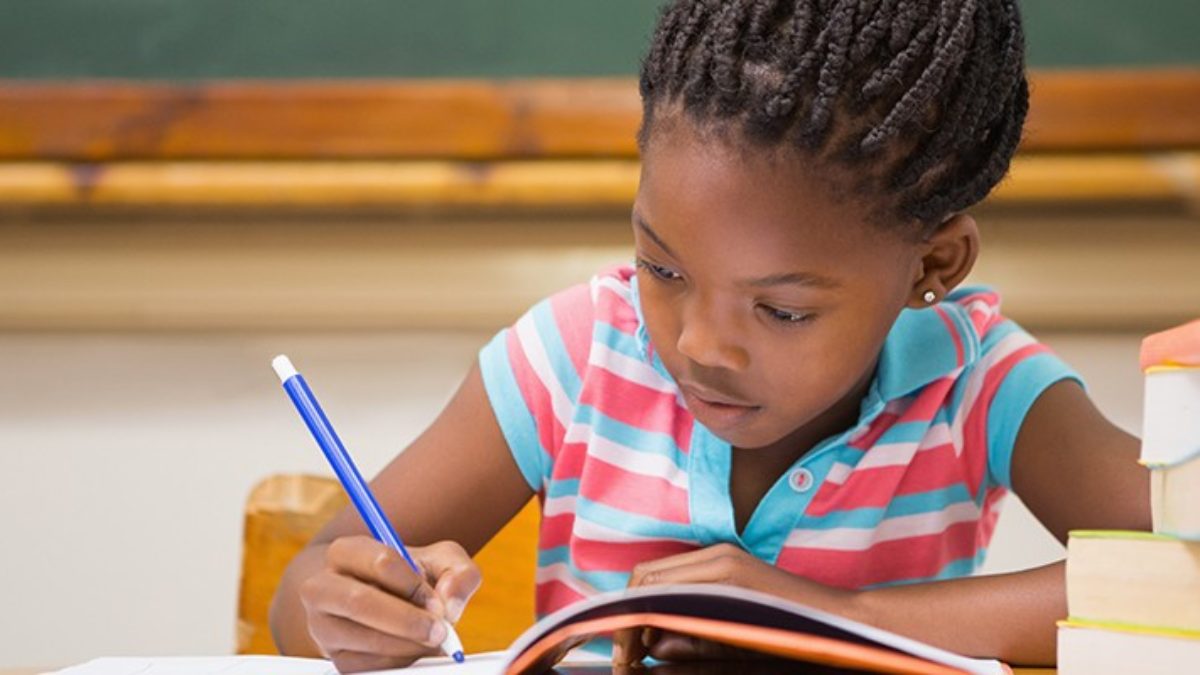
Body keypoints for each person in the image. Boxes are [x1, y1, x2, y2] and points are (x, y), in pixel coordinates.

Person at [270, 1, 1161, 670]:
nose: (700, 344)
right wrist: (347, 607)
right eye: (663, 269)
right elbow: (306, 583)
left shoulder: (980, 387)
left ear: (935, 263)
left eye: (782, 310)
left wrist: (820, 617)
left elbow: (1183, 572)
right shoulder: (575, 357)